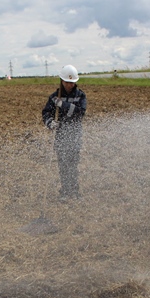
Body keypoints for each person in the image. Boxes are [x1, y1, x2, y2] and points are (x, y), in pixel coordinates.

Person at [42, 64, 87, 200]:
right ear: (62, 81)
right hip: (60, 136)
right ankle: (65, 192)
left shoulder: (80, 96)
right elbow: (46, 113)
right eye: (67, 82)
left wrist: (63, 105)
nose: (69, 85)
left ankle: (75, 191)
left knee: (72, 165)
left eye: (72, 82)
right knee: (63, 166)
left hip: (75, 135)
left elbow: (80, 112)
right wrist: (50, 122)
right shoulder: (54, 97)